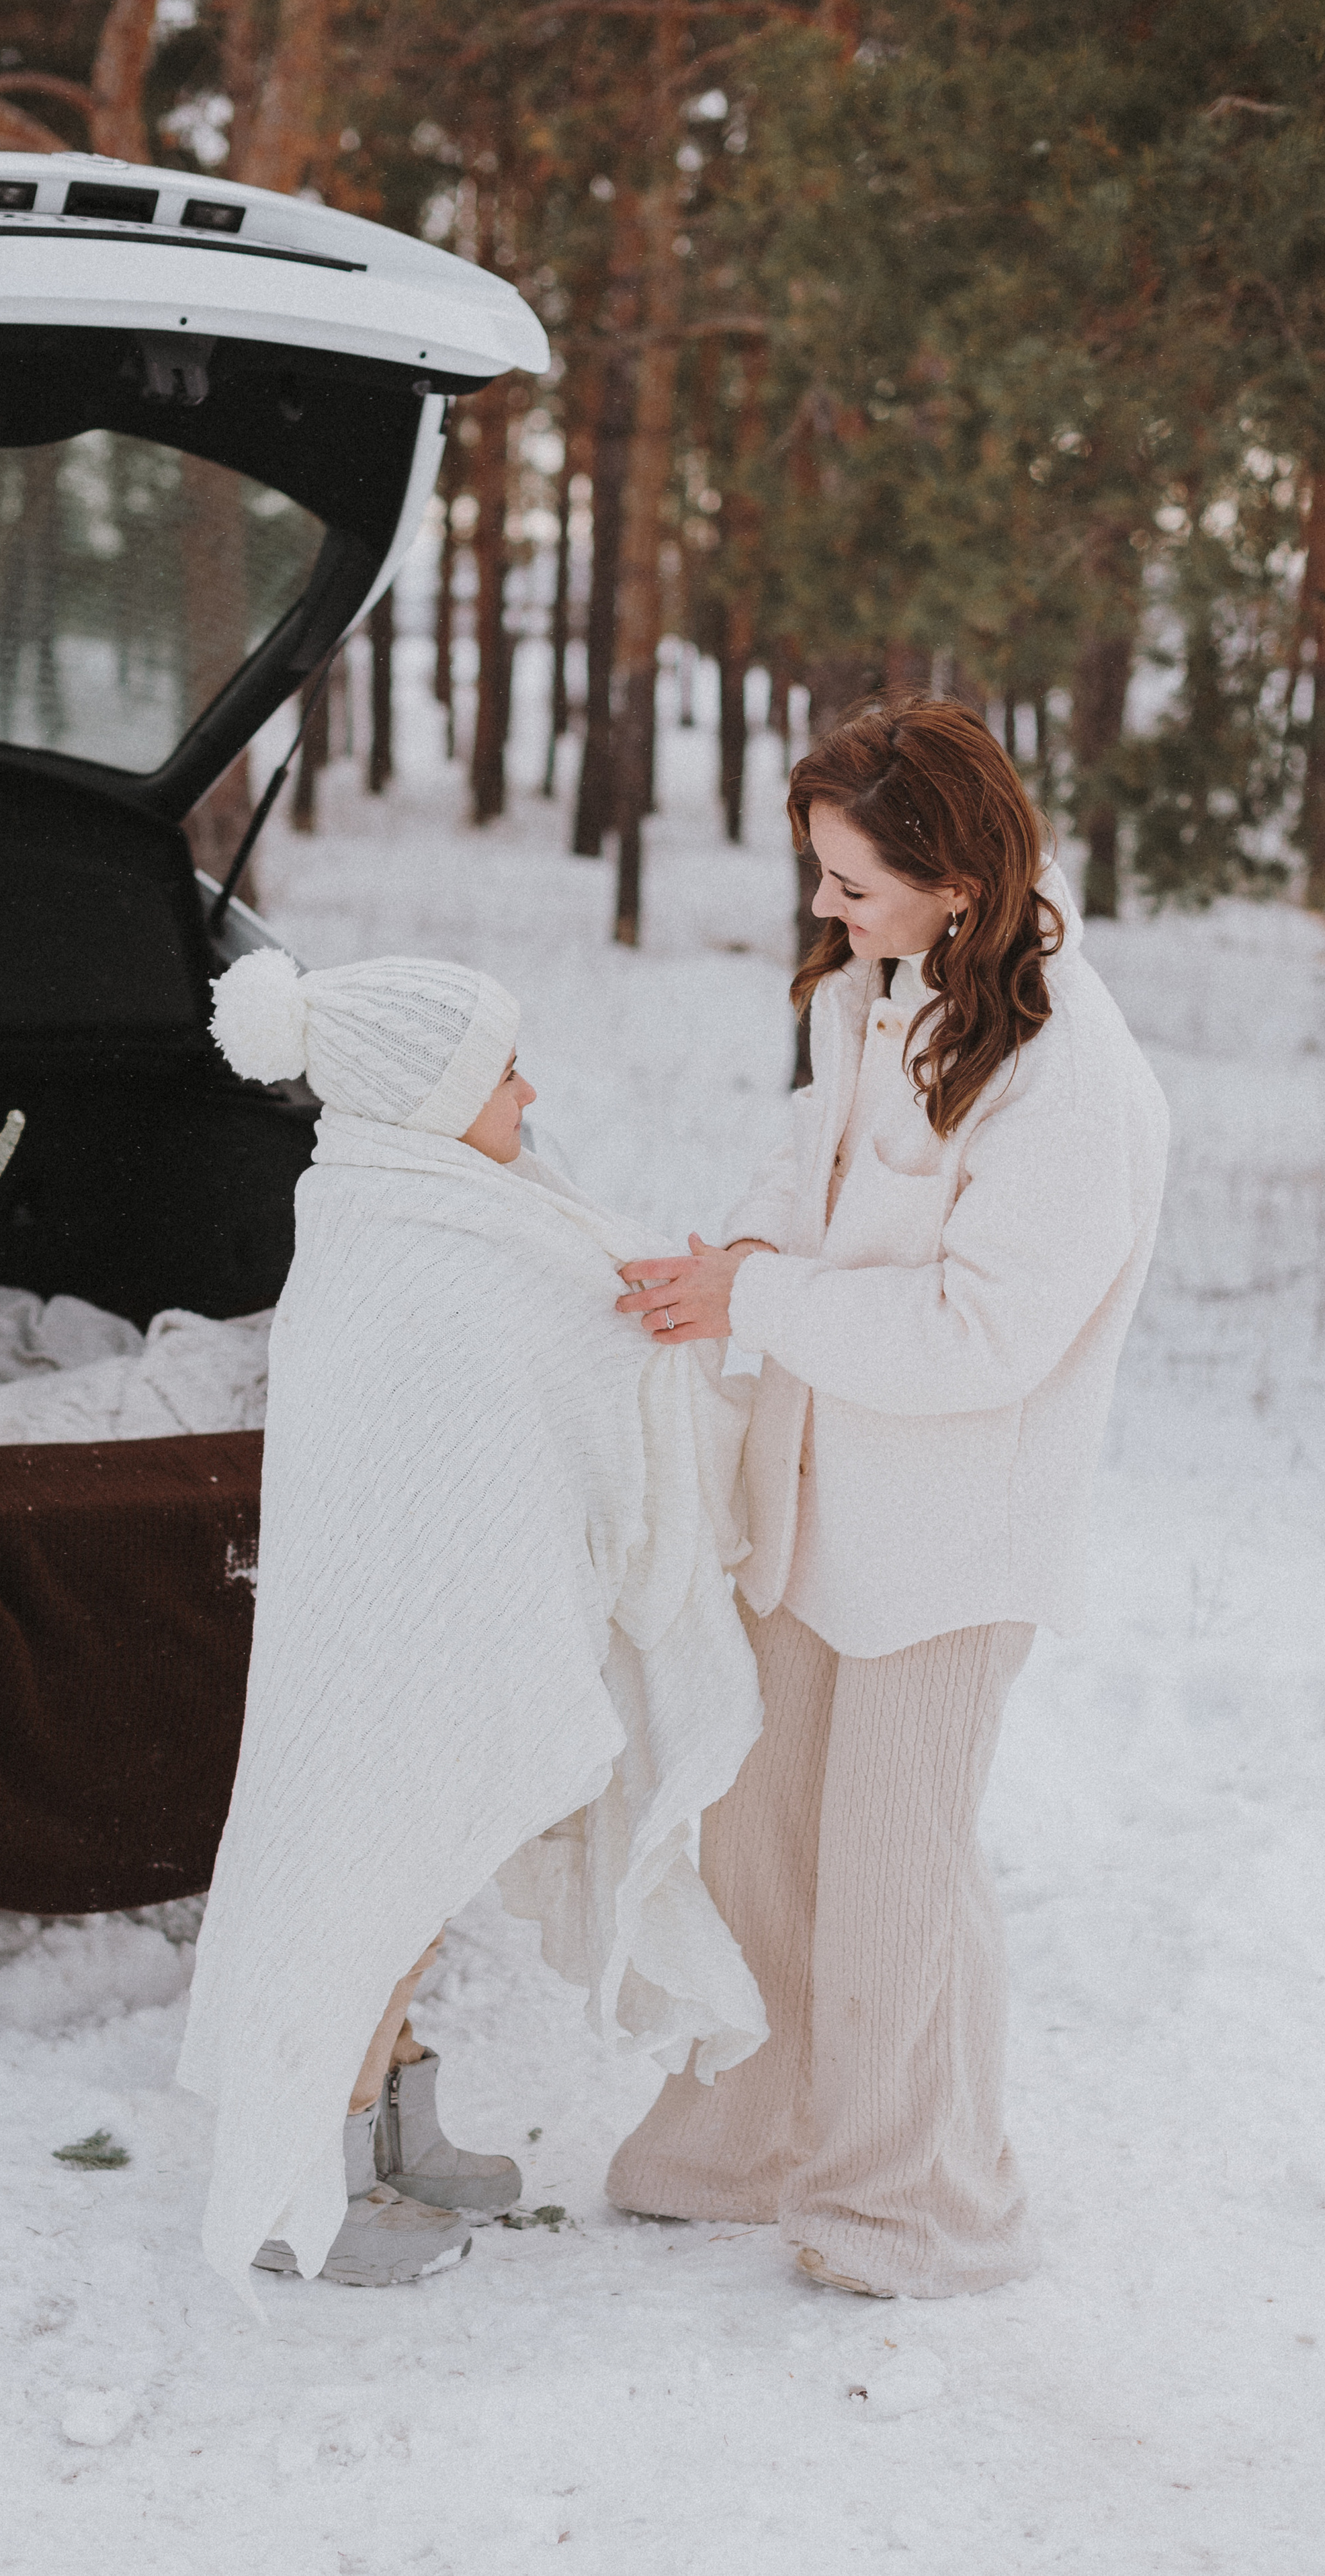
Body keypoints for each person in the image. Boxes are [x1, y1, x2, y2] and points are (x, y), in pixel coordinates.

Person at [611, 695, 1170, 2299]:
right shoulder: (877, 993)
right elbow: (813, 1170)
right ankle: (754, 2140)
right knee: (762, 1839)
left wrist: (758, 1302)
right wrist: (715, 1266)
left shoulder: (1068, 1077)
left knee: (892, 1876)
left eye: (851, 885)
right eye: (819, 876)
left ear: (960, 882)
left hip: (949, 1538)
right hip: (814, 1498)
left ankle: (911, 2204)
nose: (823, 910)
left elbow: (982, 1338)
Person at [177, 950, 769, 2299]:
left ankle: (396, 2126)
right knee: (370, 1886)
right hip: (379, 1633)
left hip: (411, 1621)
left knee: (418, 1895)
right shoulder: (401, 1228)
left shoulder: (436, 1201)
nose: (530, 1090)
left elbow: (557, 1334)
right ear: (429, 1095)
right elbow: (526, 1352)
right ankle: (319, 2182)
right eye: (503, 1071)